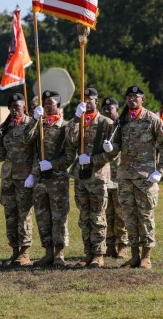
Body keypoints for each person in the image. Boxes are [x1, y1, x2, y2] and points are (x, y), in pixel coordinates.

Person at [104, 85, 163, 269]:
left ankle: (146, 257)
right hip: (125, 177)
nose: (132, 99)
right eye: (129, 97)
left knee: (145, 216)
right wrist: (110, 149)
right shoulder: (122, 121)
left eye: (136, 96)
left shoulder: (152, 119)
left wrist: (160, 170)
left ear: (143, 99)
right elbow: (116, 146)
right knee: (129, 217)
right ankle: (134, 256)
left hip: (145, 178)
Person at [64, 87, 117, 268]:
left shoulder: (107, 123)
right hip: (80, 174)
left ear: (96, 100)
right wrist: (76, 119)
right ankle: (88, 253)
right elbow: (70, 140)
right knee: (84, 216)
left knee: (98, 215)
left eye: (90, 99)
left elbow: (113, 153)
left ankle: (99, 254)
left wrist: (93, 159)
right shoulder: (78, 121)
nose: (86, 102)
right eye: (84, 99)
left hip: (98, 175)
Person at [0, 93, 35, 267]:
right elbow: (2, 154)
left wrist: (33, 174)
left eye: (18, 106)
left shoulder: (31, 125)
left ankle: (25, 253)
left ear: (23, 107)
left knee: (24, 215)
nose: (14, 109)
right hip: (8, 178)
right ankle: (14, 251)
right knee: (10, 216)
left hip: (24, 178)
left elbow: (37, 152)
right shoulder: (6, 128)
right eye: (12, 107)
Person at [27, 90, 74, 267]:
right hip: (40, 180)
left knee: (59, 217)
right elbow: (27, 142)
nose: (47, 105)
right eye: (45, 102)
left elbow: (70, 156)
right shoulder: (39, 125)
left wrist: (52, 164)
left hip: (57, 180)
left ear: (58, 106)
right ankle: (48, 252)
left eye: (51, 103)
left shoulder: (65, 127)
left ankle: (59, 254)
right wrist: (33, 120)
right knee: (42, 216)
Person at [101, 97, 129, 259]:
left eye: (109, 109)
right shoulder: (103, 127)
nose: (106, 111)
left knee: (121, 213)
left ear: (117, 110)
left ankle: (122, 246)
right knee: (107, 213)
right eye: (104, 109)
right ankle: (109, 245)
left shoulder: (123, 126)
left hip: (119, 176)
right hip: (104, 177)